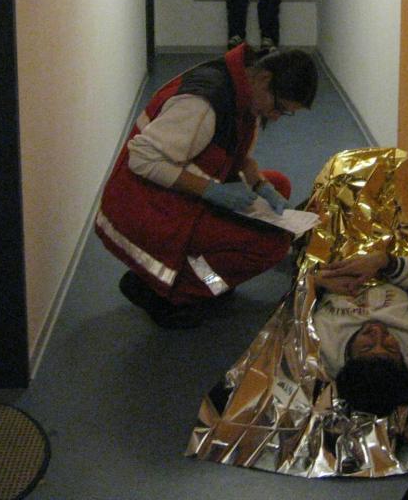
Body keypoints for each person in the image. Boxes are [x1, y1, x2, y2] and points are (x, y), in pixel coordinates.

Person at [95, 43, 318, 329]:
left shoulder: (241, 86)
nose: (275, 117)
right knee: (270, 247)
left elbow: (237, 155)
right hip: (144, 206)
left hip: (175, 194)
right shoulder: (203, 104)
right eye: (280, 108)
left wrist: (261, 186)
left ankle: (200, 276)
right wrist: (211, 191)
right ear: (264, 79)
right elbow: (141, 159)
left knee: (280, 184)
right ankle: (177, 291)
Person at [313, 250, 408, 417]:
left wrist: (316, 281)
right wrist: (388, 263)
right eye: (391, 347)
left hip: (326, 261)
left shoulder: (322, 348)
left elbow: (297, 301)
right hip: (393, 252)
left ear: (348, 359)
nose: (377, 332)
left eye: (366, 347)